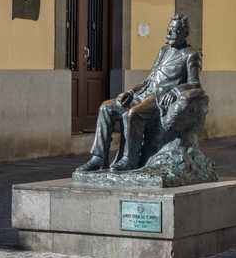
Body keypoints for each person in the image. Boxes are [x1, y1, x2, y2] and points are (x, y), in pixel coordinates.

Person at [75, 14, 201, 172]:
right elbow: (150, 79)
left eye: (174, 30)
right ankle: (98, 158)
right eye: (168, 30)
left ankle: (130, 159)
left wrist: (176, 90)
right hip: (143, 93)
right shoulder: (164, 50)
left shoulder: (190, 55)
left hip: (159, 98)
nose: (169, 34)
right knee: (106, 108)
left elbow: (195, 84)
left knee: (132, 114)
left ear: (184, 32)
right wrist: (131, 91)